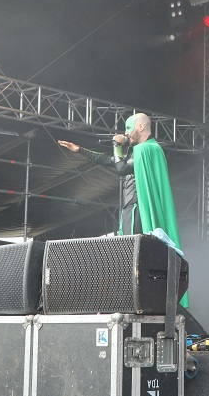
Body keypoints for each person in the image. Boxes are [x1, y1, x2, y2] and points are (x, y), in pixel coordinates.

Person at [60, 112, 186, 306]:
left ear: (140, 127)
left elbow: (120, 169)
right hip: (129, 208)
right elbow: (111, 161)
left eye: (128, 128)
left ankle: (142, 297)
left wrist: (117, 145)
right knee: (127, 254)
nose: (126, 132)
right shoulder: (139, 151)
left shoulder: (148, 149)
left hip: (139, 208)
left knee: (138, 253)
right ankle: (130, 296)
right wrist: (80, 150)